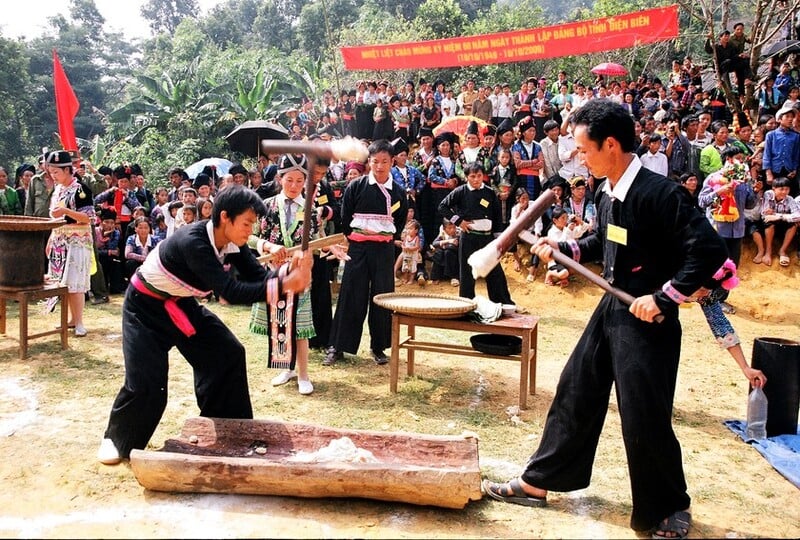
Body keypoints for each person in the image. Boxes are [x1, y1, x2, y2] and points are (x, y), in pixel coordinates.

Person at [482, 100, 728, 540]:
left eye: (582, 149)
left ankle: (668, 508)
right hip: (613, 309)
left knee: (643, 415)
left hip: (648, 319)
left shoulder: (661, 193)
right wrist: (567, 253)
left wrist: (665, 297)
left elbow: (709, 252)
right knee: (576, 390)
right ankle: (539, 482)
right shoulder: (606, 191)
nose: (578, 157)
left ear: (610, 145)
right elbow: (607, 242)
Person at [97, 185, 313, 465]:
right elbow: (230, 291)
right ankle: (116, 440)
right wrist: (285, 283)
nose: (250, 231)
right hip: (145, 308)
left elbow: (257, 277)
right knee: (147, 383)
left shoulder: (232, 242)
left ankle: (227, 429)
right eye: (246, 223)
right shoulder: (194, 241)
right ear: (225, 217)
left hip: (181, 305)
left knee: (227, 354)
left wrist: (288, 273)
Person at [324, 140, 408, 367]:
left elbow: (398, 223)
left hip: (384, 250)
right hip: (358, 249)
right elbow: (345, 216)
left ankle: (378, 346)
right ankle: (338, 347)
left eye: (384, 161)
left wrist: (384, 238)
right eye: (374, 161)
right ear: (368, 162)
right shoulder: (356, 186)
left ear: (392, 162)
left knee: (382, 296)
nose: (379, 166)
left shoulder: (399, 192)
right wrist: (354, 239)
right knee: (351, 294)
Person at [248, 154, 318, 396]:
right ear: (280, 178)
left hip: (298, 275)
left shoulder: (311, 209)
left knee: (300, 327)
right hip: (274, 273)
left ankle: (304, 374)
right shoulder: (265, 205)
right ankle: (285, 369)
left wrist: (329, 248)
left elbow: (316, 242)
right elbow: (250, 236)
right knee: (280, 322)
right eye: (290, 180)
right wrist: (268, 247)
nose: (295, 186)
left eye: (300, 181)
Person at [438, 162, 513, 304]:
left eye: (479, 176)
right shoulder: (460, 191)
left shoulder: (490, 192)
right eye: (472, 176)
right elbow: (442, 207)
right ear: (466, 177)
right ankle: (466, 303)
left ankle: (503, 303)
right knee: (467, 272)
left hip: (488, 238)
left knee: (495, 271)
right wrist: (459, 221)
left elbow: (497, 217)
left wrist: (498, 240)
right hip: (469, 238)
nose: (476, 179)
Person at [44, 151, 96, 338]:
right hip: (59, 239)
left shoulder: (81, 189)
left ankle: (79, 321)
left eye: (56, 172)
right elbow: (54, 218)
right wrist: (51, 237)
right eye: (51, 172)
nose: (53, 176)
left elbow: (89, 218)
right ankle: (70, 319)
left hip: (77, 241)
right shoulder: (58, 190)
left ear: (68, 170)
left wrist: (66, 210)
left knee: (75, 283)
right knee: (61, 283)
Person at [761, 176, 800, 266]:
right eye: (781, 189)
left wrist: (778, 216)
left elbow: (798, 215)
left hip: (782, 221)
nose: (784, 192)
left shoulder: (790, 199)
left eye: (787, 189)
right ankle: (768, 252)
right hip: (769, 223)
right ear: (774, 189)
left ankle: (782, 251)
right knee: (769, 222)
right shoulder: (768, 194)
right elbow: (764, 213)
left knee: (794, 225)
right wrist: (774, 216)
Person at [428, 219, 460, 286]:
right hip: (444, 258)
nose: (452, 230)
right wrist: (448, 241)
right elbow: (434, 243)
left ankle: (454, 277)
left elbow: (454, 247)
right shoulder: (442, 235)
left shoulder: (458, 234)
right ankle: (436, 276)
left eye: (454, 227)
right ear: (444, 229)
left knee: (448, 252)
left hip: (455, 258)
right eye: (450, 228)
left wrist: (444, 246)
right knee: (438, 253)